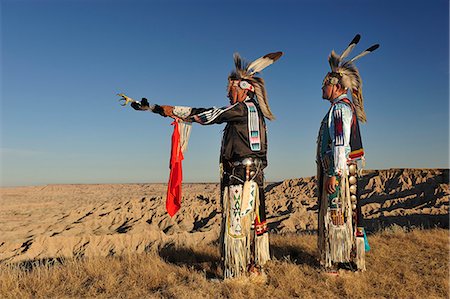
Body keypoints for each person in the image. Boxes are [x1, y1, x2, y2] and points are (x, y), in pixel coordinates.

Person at [132, 51, 282, 279]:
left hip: (241, 178)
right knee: (249, 222)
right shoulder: (253, 111)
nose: (227, 93)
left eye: (230, 88)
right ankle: (252, 268)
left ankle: (237, 273)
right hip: (253, 177)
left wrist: (163, 109)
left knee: (237, 224)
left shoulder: (241, 109)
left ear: (244, 88)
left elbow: (208, 115)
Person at [316, 34, 379, 273]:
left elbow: (340, 144)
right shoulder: (340, 108)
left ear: (337, 86)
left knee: (338, 212)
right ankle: (343, 258)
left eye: (325, 84)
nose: (322, 87)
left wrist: (333, 173)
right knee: (343, 213)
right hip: (343, 171)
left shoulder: (341, 109)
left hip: (339, 173)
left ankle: (340, 262)